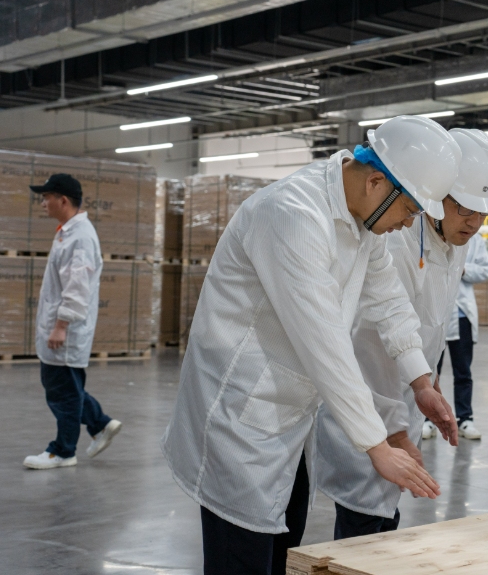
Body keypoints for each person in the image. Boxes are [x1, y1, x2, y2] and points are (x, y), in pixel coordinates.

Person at [161, 116, 462, 575]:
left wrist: (421, 381)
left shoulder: (363, 221)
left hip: (290, 414)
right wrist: (377, 445)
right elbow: (324, 343)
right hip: (241, 413)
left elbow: (389, 301)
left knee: (283, 548)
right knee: (242, 557)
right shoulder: (293, 214)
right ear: (376, 183)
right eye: (409, 210)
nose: (408, 224)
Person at [313, 128, 488, 540]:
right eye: (465, 208)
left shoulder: (456, 238)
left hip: (407, 399)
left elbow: (429, 322)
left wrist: (427, 381)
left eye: (483, 213)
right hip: (374, 404)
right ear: (434, 194)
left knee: (385, 518)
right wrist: (394, 433)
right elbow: (371, 349)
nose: (474, 222)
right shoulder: (397, 239)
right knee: (363, 521)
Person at [23, 174, 122, 470]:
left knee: (62, 392)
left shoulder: (79, 237)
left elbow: (77, 287)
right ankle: (100, 424)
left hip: (66, 331)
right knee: (64, 386)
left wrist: (61, 326)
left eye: (46, 197)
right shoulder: (69, 232)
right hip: (61, 328)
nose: (43, 203)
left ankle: (63, 451)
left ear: (63, 200)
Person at [427, 231, 488, 441]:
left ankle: (465, 418)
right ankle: (428, 418)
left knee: (463, 371)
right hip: (434, 313)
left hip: (462, 315)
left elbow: (484, 270)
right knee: (430, 371)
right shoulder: (430, 233)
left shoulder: (475, 238)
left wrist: (462, 269)